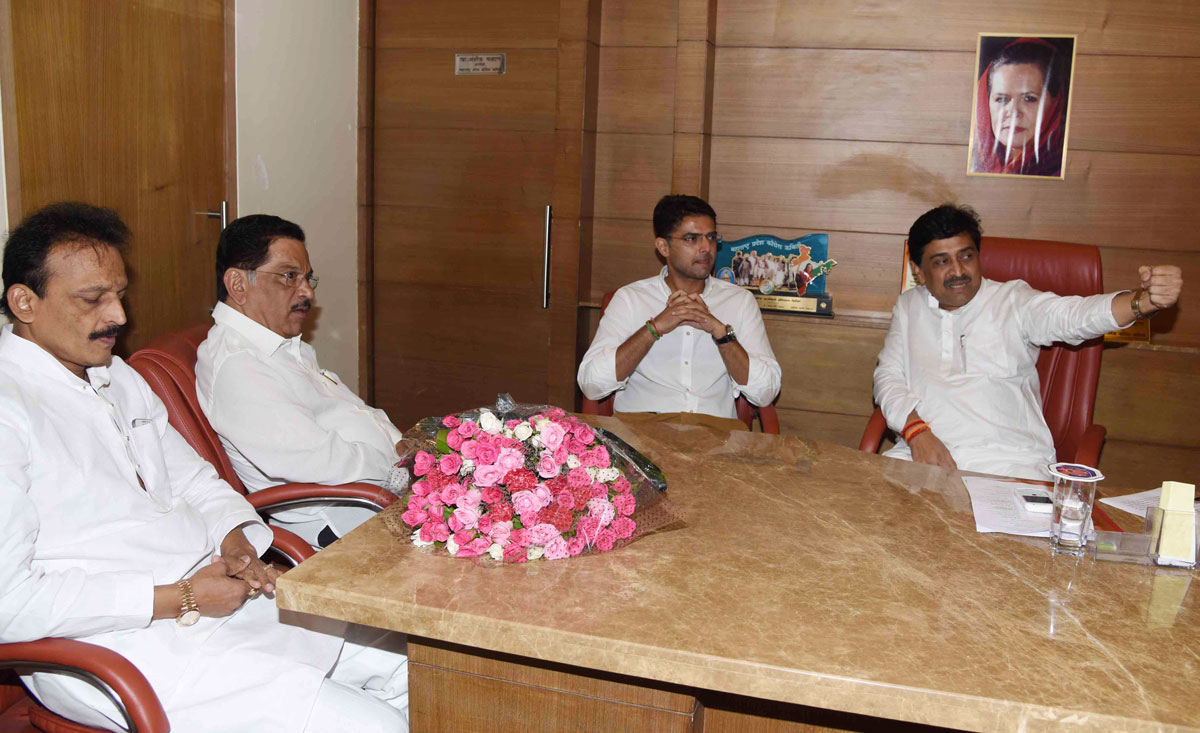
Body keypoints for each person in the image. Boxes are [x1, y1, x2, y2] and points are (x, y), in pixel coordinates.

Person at [0, 202, 408, 732]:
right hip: (124, 642)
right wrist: (179, 598)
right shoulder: (10, 409)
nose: (119, 316)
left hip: (215, 598)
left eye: (119, 293)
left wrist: (238, 540)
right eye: (92, 299)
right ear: (24, 302)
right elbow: (10, 601)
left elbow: (194, 478)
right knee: (375, 726)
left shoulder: (115, 377)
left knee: (418, 664)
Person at [873, 204, 1183, 480]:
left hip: (1007, 462)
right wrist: (916, 433)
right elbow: (888, 378)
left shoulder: (1014, 300)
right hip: (924, 452)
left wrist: (1142, 302)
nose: (958, 271)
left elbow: (1074, 316)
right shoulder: (909, 306)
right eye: (941, 262)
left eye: (966, 257)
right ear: (918, 270)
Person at [196, 214, 405, 548]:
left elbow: (357, 411)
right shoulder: (239, 364)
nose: (306, 291)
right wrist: (401, 468)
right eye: (288, 276)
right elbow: (317, 461)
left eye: (307, 278)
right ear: (237, 285)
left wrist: (404, 448)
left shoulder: (283, 345)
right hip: (345, 522)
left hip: (380, 493)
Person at [577, 194, 781, 421]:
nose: (706, 248)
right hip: (642, 436)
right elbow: (591, 385)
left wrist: (720, 332)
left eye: (711, 237)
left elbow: (766, 393)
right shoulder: (630, 299)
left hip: (715, 441)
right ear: (663, 246)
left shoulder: (739, 302)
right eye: (692, 239)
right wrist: (654, 328)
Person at [970, 38, 1069, 177]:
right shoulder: (976, 164)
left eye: (1029, 98)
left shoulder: (1063, 172)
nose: (1013, 112)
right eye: (1002, 99)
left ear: (1054, 104)